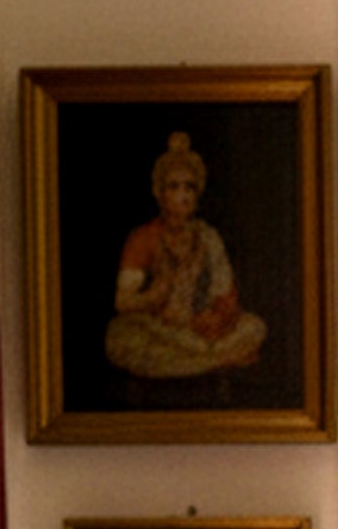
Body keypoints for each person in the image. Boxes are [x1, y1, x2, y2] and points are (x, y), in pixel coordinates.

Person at [104, 131, 267, 382]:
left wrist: (215, 318)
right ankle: (218, 360)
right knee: (120, 337)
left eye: (190, 187)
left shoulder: (208, 237)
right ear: (160, 193)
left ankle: (201, 359)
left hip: (200, 331)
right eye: (174, 187)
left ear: (198, 193)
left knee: (254, 327)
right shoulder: (143, 237)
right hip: (158, 329)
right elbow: (122, 302)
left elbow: (225, 293)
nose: (184, 195)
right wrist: (152, 298)